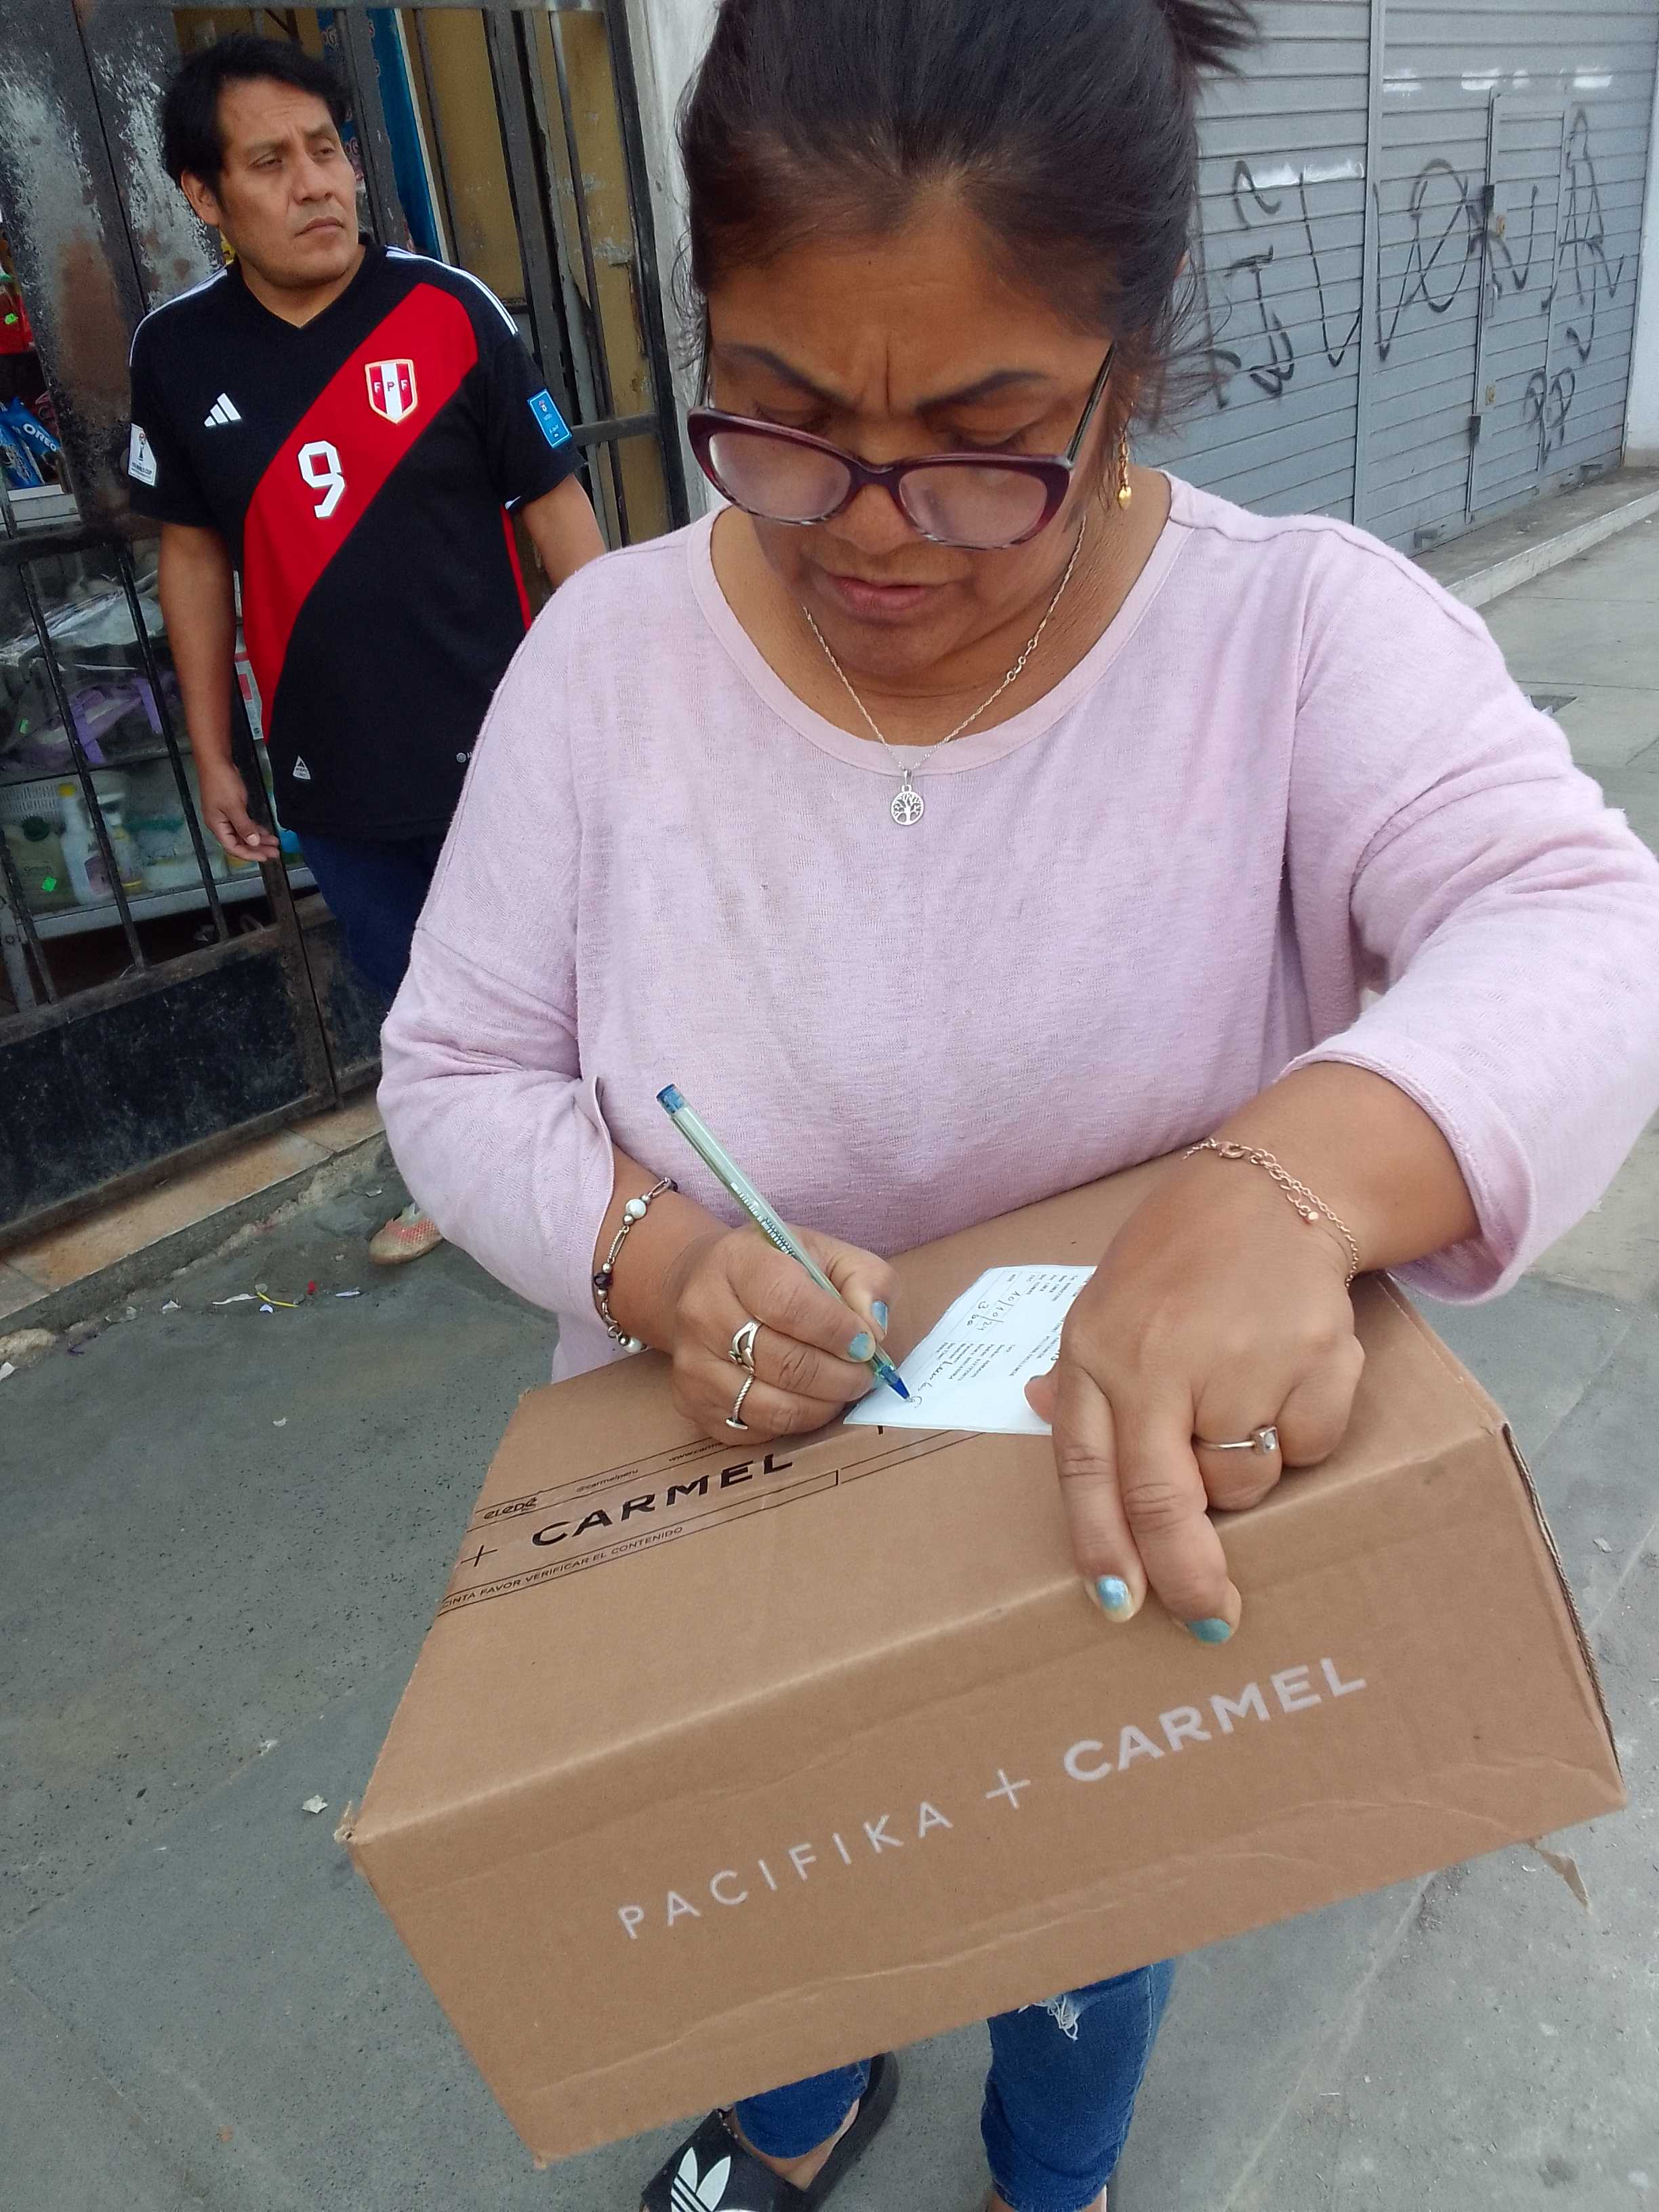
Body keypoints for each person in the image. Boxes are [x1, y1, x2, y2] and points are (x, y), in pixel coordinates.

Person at [377, 0, 1659, 2204]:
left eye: (986, 444)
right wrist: (655, 1261)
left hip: (1103, 1542)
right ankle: (788, 2113)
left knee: (1088, 1915)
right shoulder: (605, 665)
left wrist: (1288, 1185)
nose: (871, 531)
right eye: (779, 422)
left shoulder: (1290, 644)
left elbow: (1583, 926)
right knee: (765, 1892)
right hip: (728, 1536)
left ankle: (1052, 2172)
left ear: (1127, 363)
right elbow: (456, 1069)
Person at [128, 33, 604, 1265]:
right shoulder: (177, 354)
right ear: (204, 197)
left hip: (507, 740)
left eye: (328, 151)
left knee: (579, 968)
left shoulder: (449, 311)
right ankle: (459, 1176)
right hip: (331, 756)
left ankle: (621, 1167)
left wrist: (617, 692)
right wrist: (214, 750)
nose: (316, 185)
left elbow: (558, 509)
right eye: (271, 163)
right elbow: (194, 557)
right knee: (415, 990)